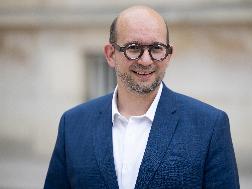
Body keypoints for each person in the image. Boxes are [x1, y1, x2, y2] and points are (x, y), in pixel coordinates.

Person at [44, 5, 239, 189]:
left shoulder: (209, 125)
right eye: (134, 48)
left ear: (169, 55)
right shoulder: (73, 124)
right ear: (111, 54)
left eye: (156, 48)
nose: (146, 60)